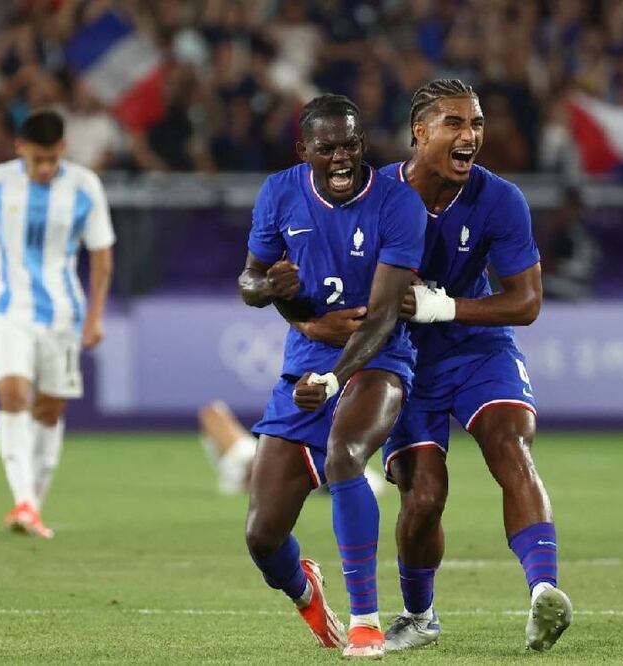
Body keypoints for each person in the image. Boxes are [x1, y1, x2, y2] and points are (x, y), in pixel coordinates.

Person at [374, 79, 571, 651]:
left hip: (478, 348)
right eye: (456, 123)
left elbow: (527, 302)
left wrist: (441, 306)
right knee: (425, 495)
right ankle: (419, 615)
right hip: (403, 359)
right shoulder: (376, 195)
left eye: (477, 124)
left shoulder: (500, 198)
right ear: (420, 131)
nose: (471, 135)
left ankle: (543, 594)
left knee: (511, 446)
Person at [238, 94, 426, 658]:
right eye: (327, 149)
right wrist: (275, 291)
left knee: (346, 453)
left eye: (350, 145)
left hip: (378, 360)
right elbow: (249, 281)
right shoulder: (279, 192)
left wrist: (334, 375)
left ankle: (366, 621)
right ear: (306, 150)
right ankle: (306, 589)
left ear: (362, 143)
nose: (341, 158)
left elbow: (386, 315)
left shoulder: (397, 202)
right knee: (262, 536)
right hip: (304, 365)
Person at [0, 109, 114, 539]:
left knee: (49, 410)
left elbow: (101, 253)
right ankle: (23, 499)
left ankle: (33, 505)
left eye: (51, 159)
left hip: (64, 315)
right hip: (9, 311)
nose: (44, 169)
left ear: (62, 150)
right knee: (11, 395)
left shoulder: (84, 186)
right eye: (36, 160)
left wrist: (96, 315)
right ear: (19, 149)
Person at [197, 400, 386, 498]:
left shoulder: (354, 476)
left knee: (213, 413)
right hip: (264, 454)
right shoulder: (352, 464)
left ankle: (233, 477)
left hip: (251, 466)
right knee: (213, 411)